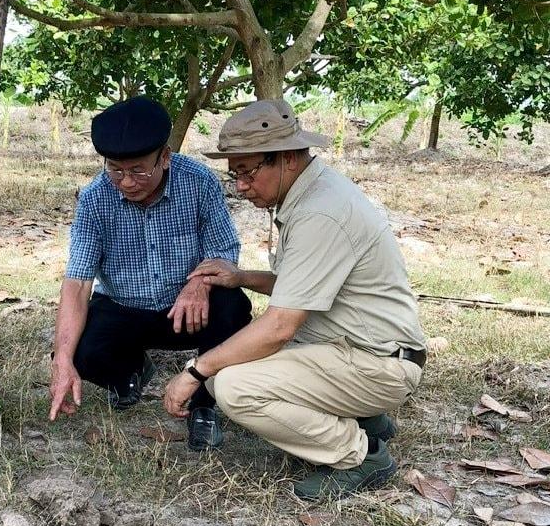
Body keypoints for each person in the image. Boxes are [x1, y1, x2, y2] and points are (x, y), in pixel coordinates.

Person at [162, 98, 426, 498]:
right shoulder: (313, 191)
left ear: (285, 158)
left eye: (247, 173)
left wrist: (195, 371)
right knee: (228, 369)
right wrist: (240, 277)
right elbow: (300, 285)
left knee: (231, 385)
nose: (240, 187)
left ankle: (360, 453)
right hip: (355, 349)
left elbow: (280, 326)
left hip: (377, 362)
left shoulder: (320, 213)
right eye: (233, 175)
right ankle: (366, 418)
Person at [49, 96, 252, 450]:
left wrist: (199, 283)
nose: (127, 182)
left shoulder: (199, 182)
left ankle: (205, 405)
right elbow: (78, 283)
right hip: (126, 309)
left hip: (188, 311)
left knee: (233, 307)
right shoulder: (96, 199)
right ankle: (129, 373)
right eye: (116, 169)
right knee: (78, 349)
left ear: (165, 157)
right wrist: (62, 360)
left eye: (139, 170)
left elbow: (224, 251)